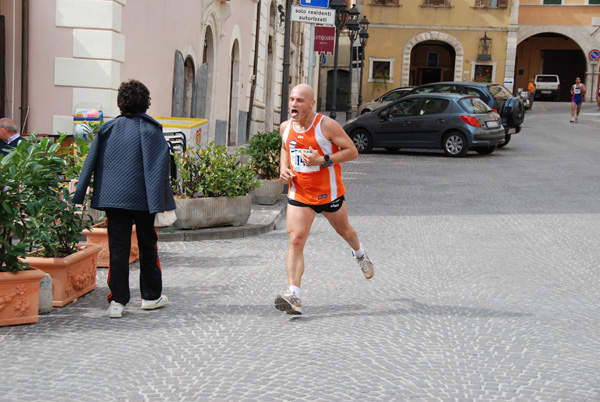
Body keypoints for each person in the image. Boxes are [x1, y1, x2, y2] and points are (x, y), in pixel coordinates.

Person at [73, 79, 175, 318]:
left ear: (121, 103)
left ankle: (117, 302)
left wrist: (79, 194)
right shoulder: (153, 130)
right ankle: (150, 297)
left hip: (113, 197)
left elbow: (90, 162)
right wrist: (163, 201)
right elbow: (162, 171)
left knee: (118, 249)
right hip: (145, 199)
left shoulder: (107, 129)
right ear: (146, 103)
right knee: (148, 245)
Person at [274, 83, 374, 315]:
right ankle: (294, 296)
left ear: (311, 104)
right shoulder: (285, 127)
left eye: (299, 100)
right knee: (296, 240)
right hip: (299, 193)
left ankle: (360, 254)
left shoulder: (326, 126)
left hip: (329, 193)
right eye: (291, 100)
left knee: (345, 232)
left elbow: (352, 151)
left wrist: (323, 159)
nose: (293, 105)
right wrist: (283, 168)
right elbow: (285, 149)